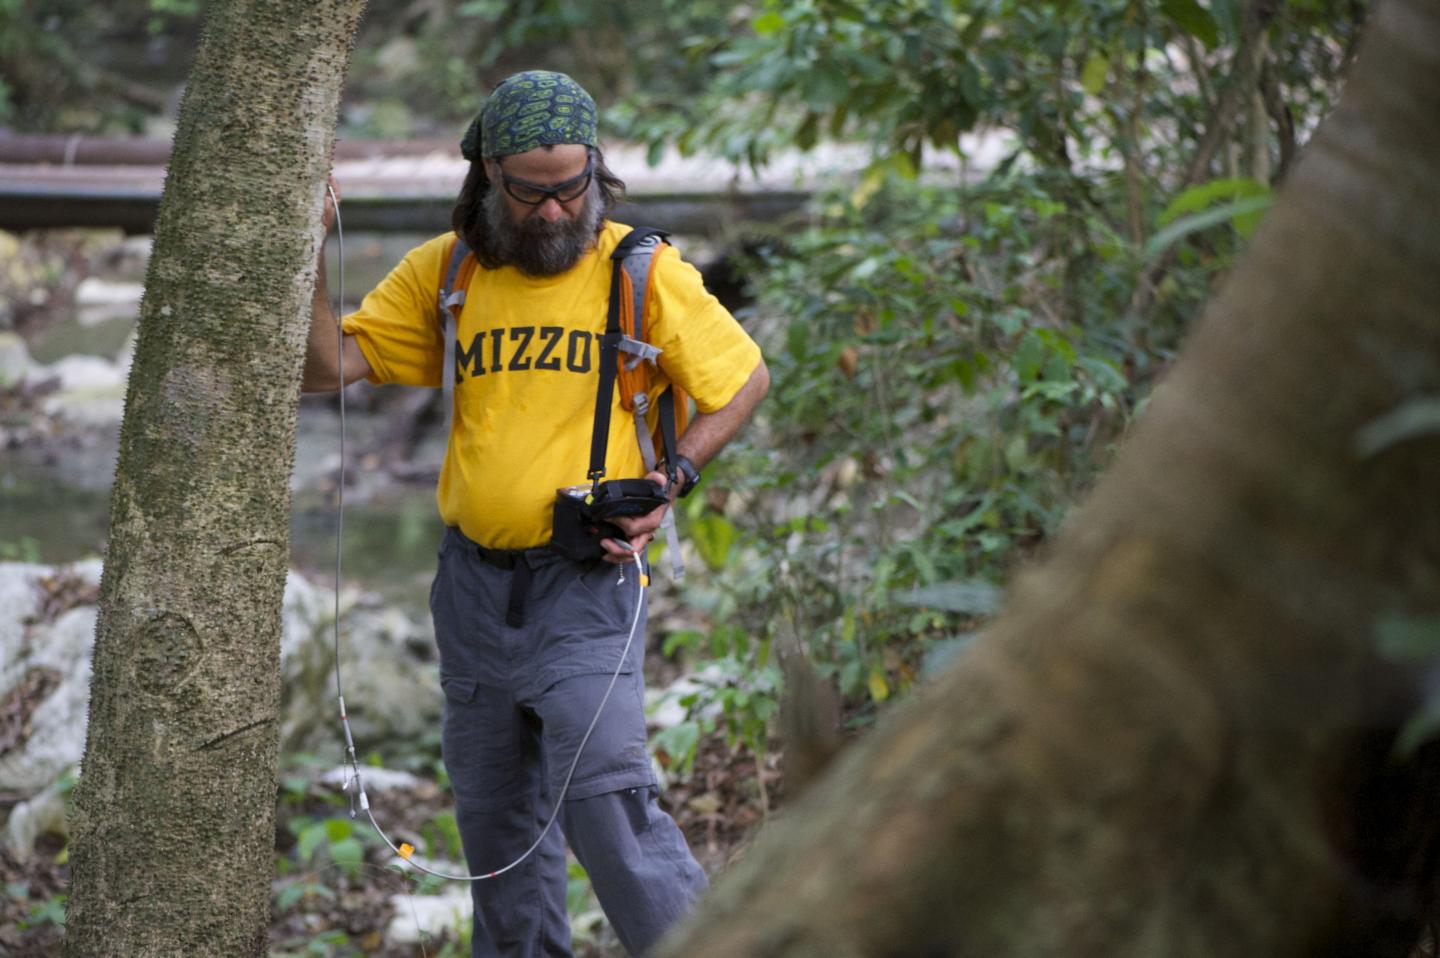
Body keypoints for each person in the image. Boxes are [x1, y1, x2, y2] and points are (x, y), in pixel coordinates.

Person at [302, 70, 768, 957]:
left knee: (605, 802)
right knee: (497, 825)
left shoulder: (642, 273)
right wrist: (309, 247)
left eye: (571, 188)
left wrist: (672, 478)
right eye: (531, 192)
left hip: (586, 585)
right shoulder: (448, 271)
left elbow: (744, 378)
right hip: (472, 590)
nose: (555, 211)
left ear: (595, 171)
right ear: (488, 176)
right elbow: (324, 368)